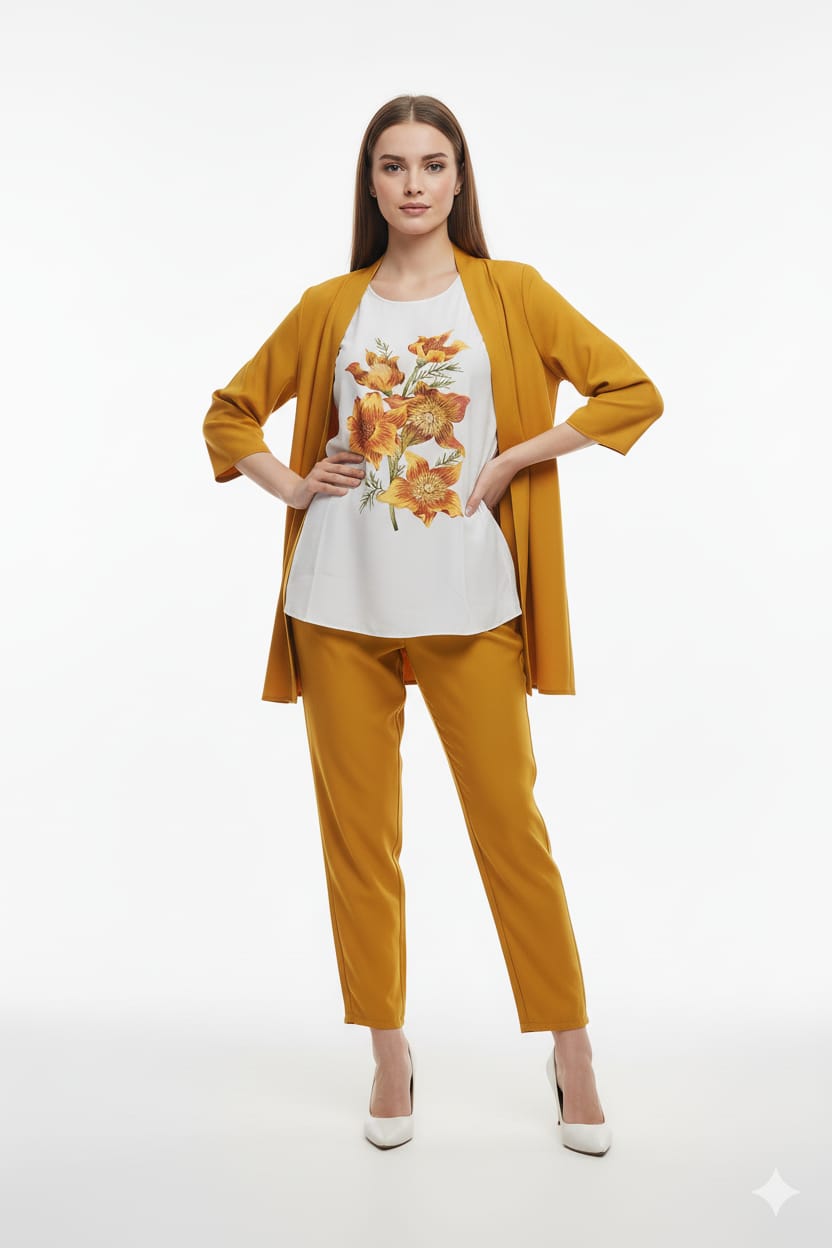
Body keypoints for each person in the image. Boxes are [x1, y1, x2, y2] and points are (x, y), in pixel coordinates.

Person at [202, 94, 664, 1156]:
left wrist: (511, 461)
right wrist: (290, 484)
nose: (413, 183)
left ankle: (572, 1051)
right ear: (370, 185)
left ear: (460, 179)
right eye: (392, 165)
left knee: (511, 829)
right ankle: (386, 1050)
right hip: (337, 601)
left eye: (432, 164)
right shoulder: (330, 305)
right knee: (360, 841)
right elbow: (229, 414)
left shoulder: (510, 292)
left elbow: (629, 392)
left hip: (468, 602)